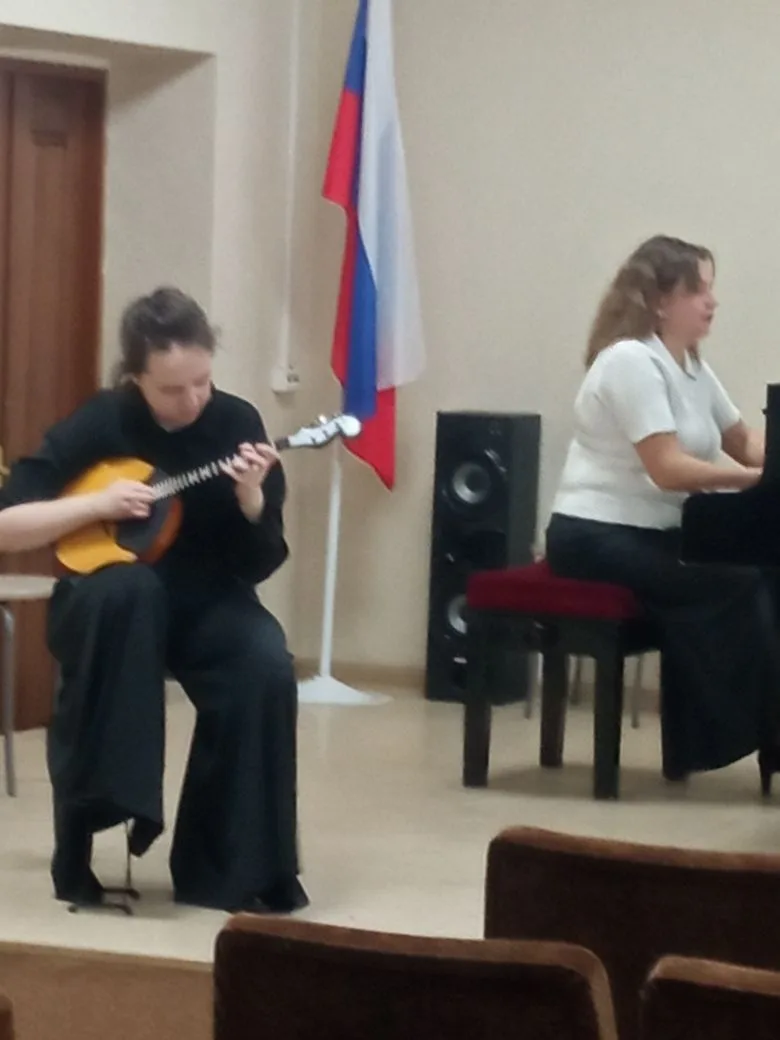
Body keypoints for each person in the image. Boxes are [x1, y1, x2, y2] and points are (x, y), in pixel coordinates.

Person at [0, 286, 308, 914]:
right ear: (135, 378)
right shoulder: (101, 422)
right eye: (171, 389)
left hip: (205, 598)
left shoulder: (237, 423)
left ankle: (226, 869)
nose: (192, 400)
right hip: (110, 597)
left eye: (202, 382)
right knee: (131, 592)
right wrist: (97, 505)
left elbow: (258, 562)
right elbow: (9, 525)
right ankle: (97, 830)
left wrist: (252, 499)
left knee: (263, 663)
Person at [545, 234, 780, 792]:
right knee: (734, 584)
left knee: (769, 570)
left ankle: (746, 734)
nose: (712, 301)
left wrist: (769, 464)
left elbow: (743, 440)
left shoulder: (690, 365)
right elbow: (667, 468)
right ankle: (753, 731)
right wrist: (758, 481)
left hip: (654, 534)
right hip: (595, 536)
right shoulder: (630, 360)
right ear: (657, 301)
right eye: (698, 289)